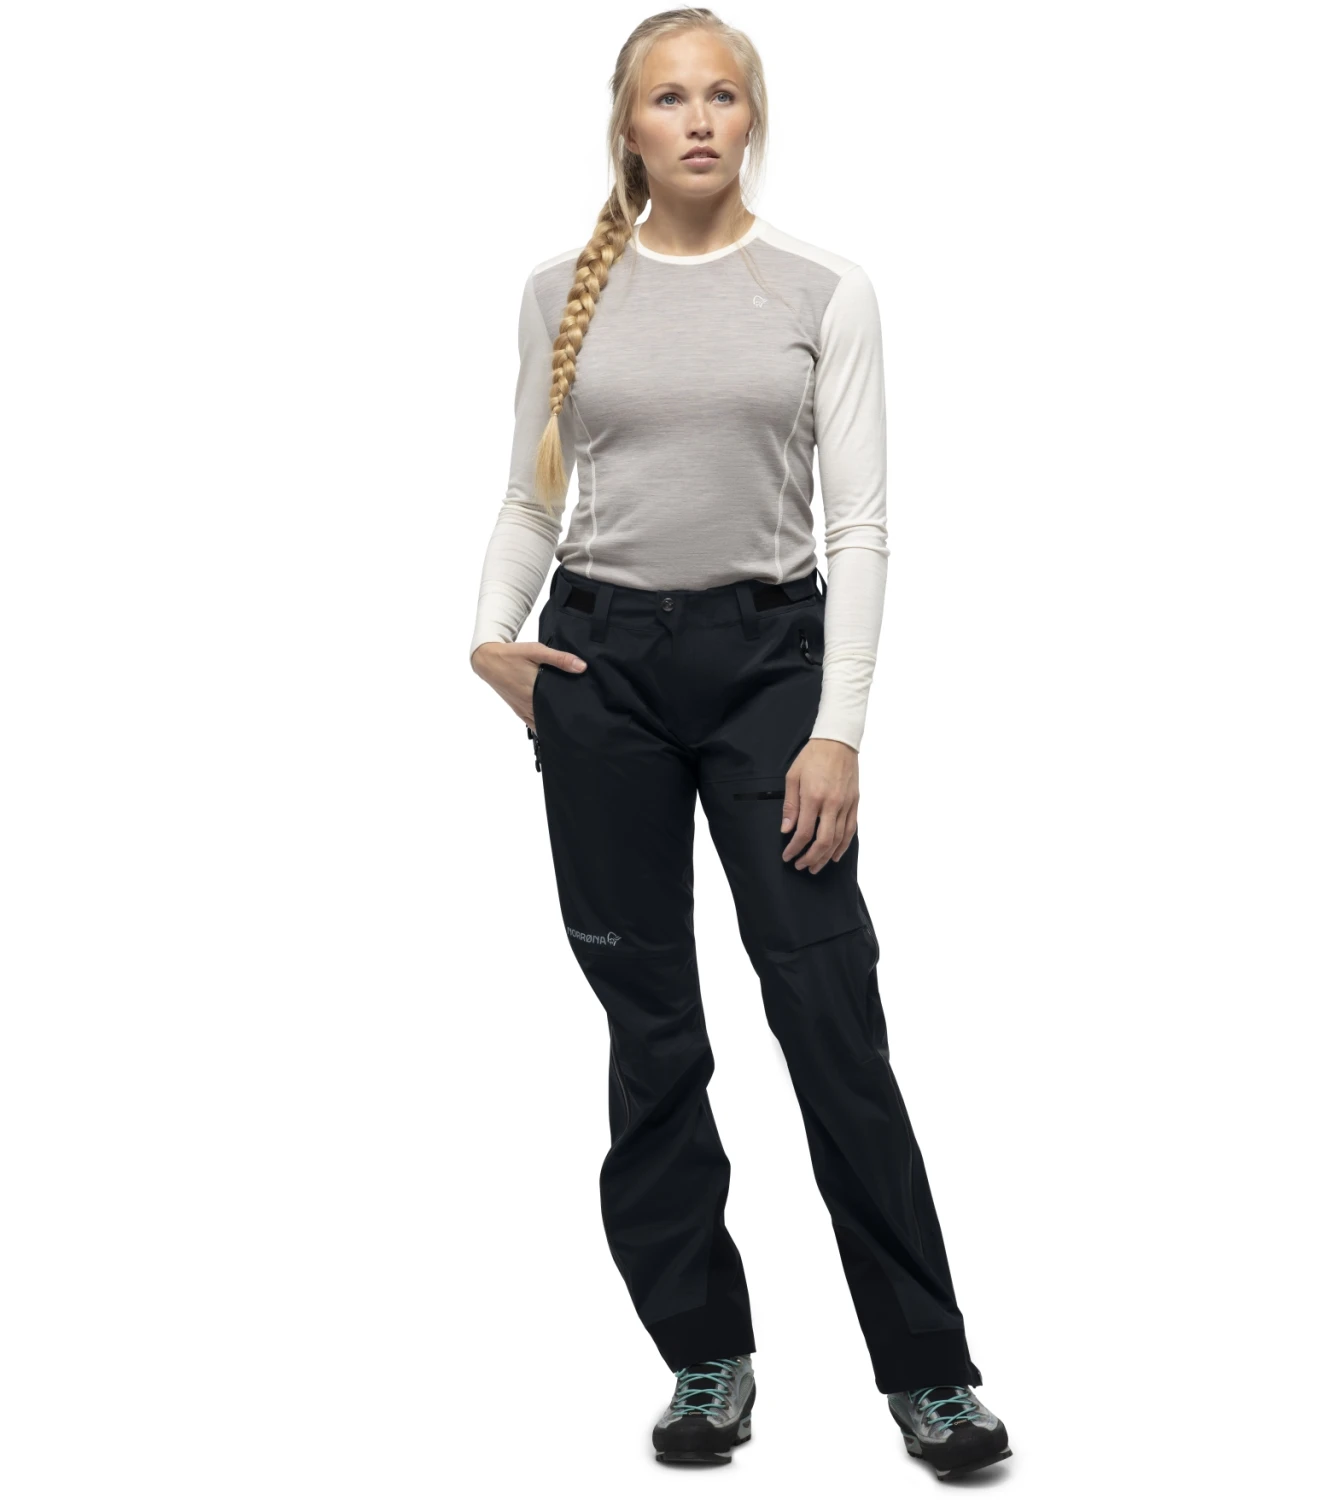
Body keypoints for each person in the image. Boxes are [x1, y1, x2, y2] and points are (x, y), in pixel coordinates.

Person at [469, 9, 1011, 1479]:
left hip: (772, 669)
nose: (698, 118)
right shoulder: (558, 293)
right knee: (652, 1030)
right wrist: (490, 636)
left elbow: (864, 525)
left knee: (829, 1013)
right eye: (669, 97)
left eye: (722, 94)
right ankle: (704, 1354)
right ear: (629, 125)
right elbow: (530, 494)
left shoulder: (824, 288)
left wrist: (839, 731)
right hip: (602, 671)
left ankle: (930, 1374)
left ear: (752, 118)